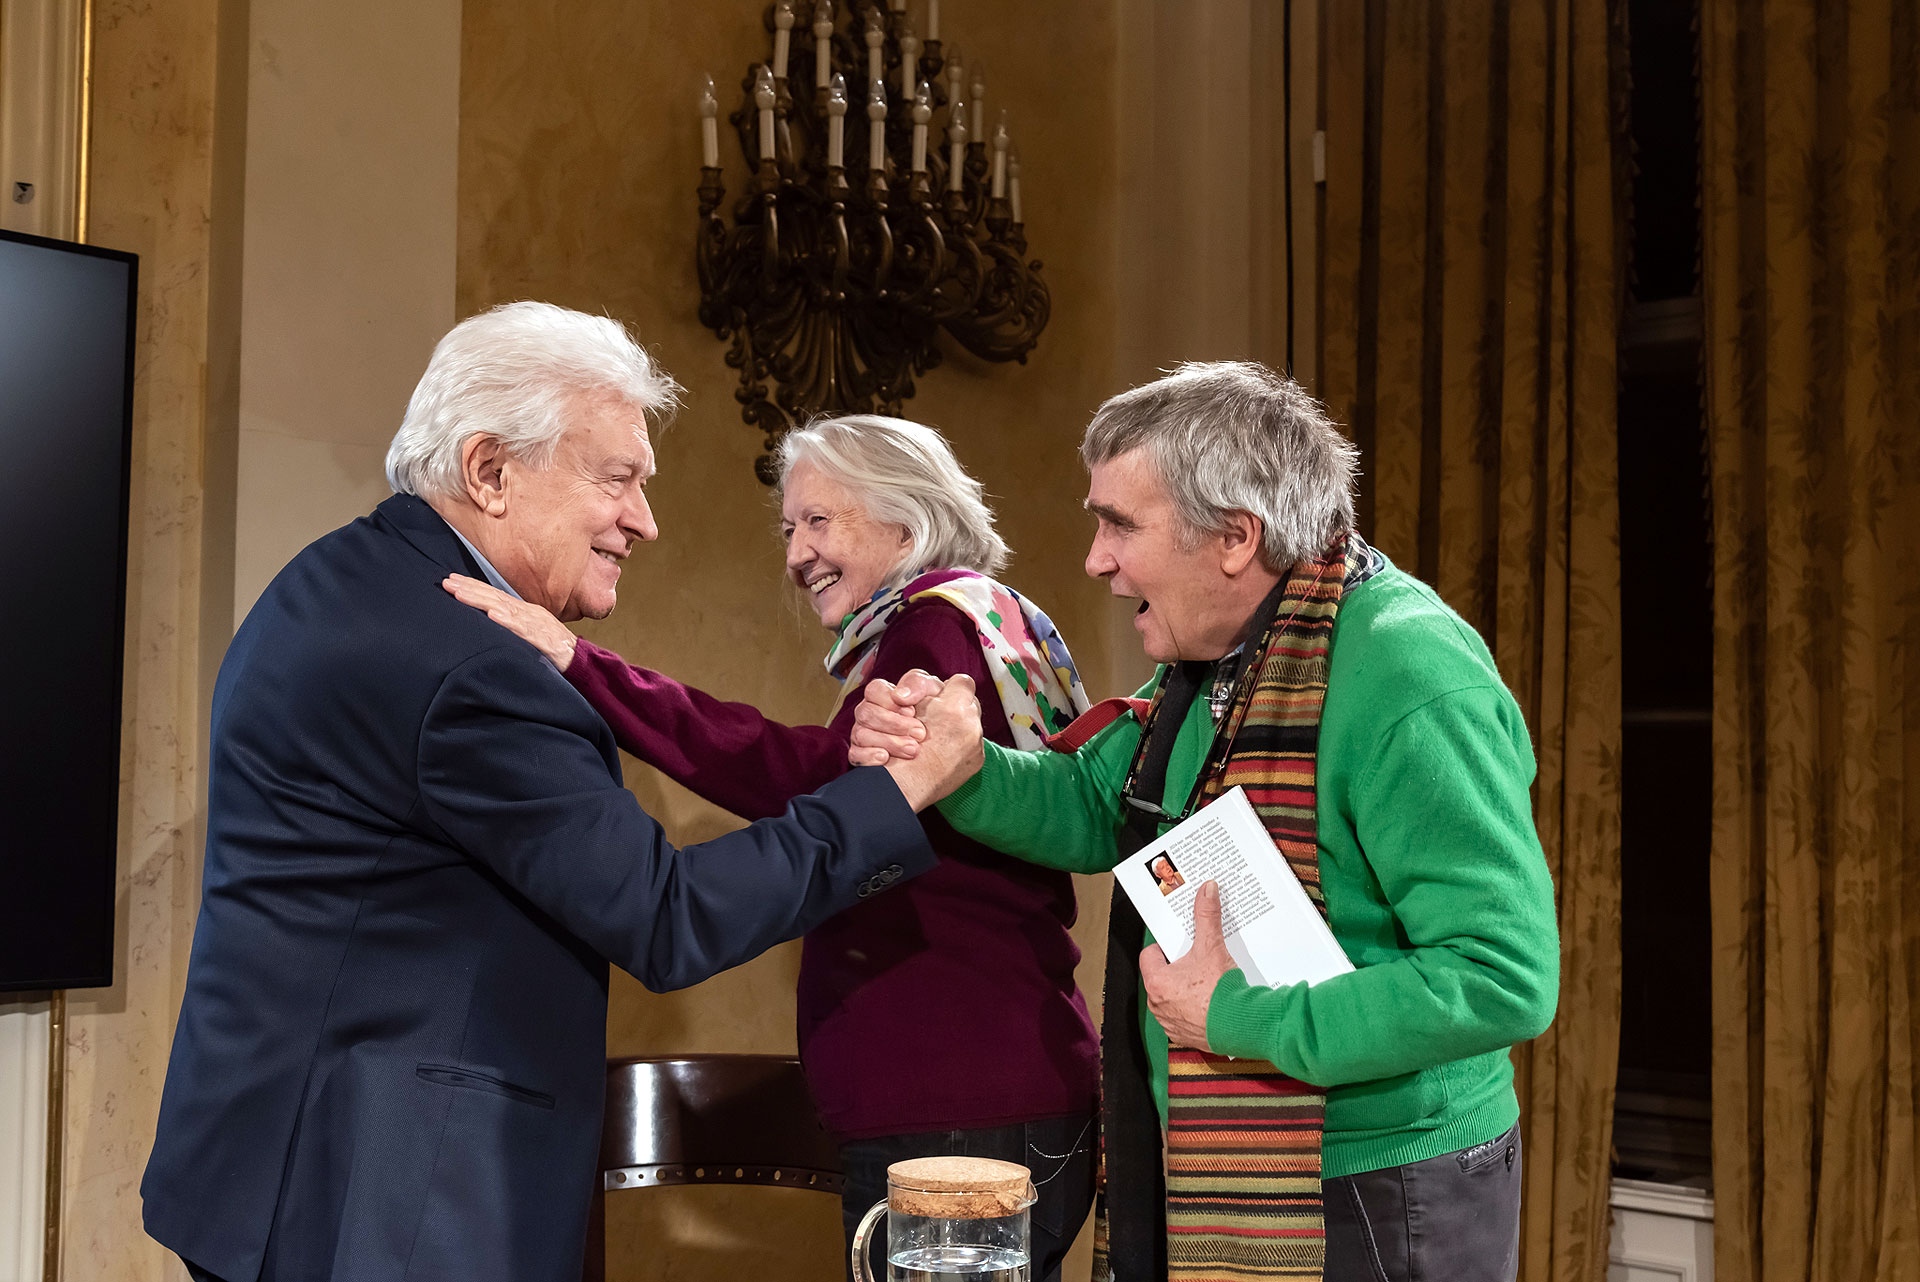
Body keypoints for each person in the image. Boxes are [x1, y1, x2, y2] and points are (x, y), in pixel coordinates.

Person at [140, 303, 984, 1282]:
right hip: (380, 1206)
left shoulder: (341, 578)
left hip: (272, 1172)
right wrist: (900, 787)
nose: (644, 520)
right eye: (617, 479)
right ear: (489, 471)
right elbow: (667, 917)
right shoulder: (468, 667)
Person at [851, 362, 1560, 1282]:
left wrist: (1238, 1018)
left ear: (1234, 537)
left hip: (1382, 1184)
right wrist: (963, 764)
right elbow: (1101, 807)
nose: (1096, 559)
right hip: (1209, 1156)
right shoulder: (1220, 656)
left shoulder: (1411, 675)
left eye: (1120, 524)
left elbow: (1501, 978)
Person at [443, 414, 1100, 1282]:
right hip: (1004, 1087)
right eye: (790, 529)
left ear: (906, 523)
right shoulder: (986, 622)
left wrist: (586, 667)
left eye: (819, 521)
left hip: (958, 1107)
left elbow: (817, 781)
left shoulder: (933, 631)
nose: (796, 555)